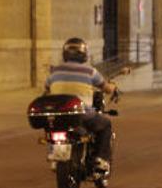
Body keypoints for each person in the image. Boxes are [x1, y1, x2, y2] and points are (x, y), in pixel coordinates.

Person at [44, 37, 116, 172]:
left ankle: (54, 152)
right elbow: (106, 88)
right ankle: (100, 159)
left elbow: (47, 89)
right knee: (106, 124)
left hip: (59, 114)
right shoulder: (90, 71)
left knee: (54, 128)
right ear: (84, 55)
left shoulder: (55, 71)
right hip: (82, 114)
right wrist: (112, 87)